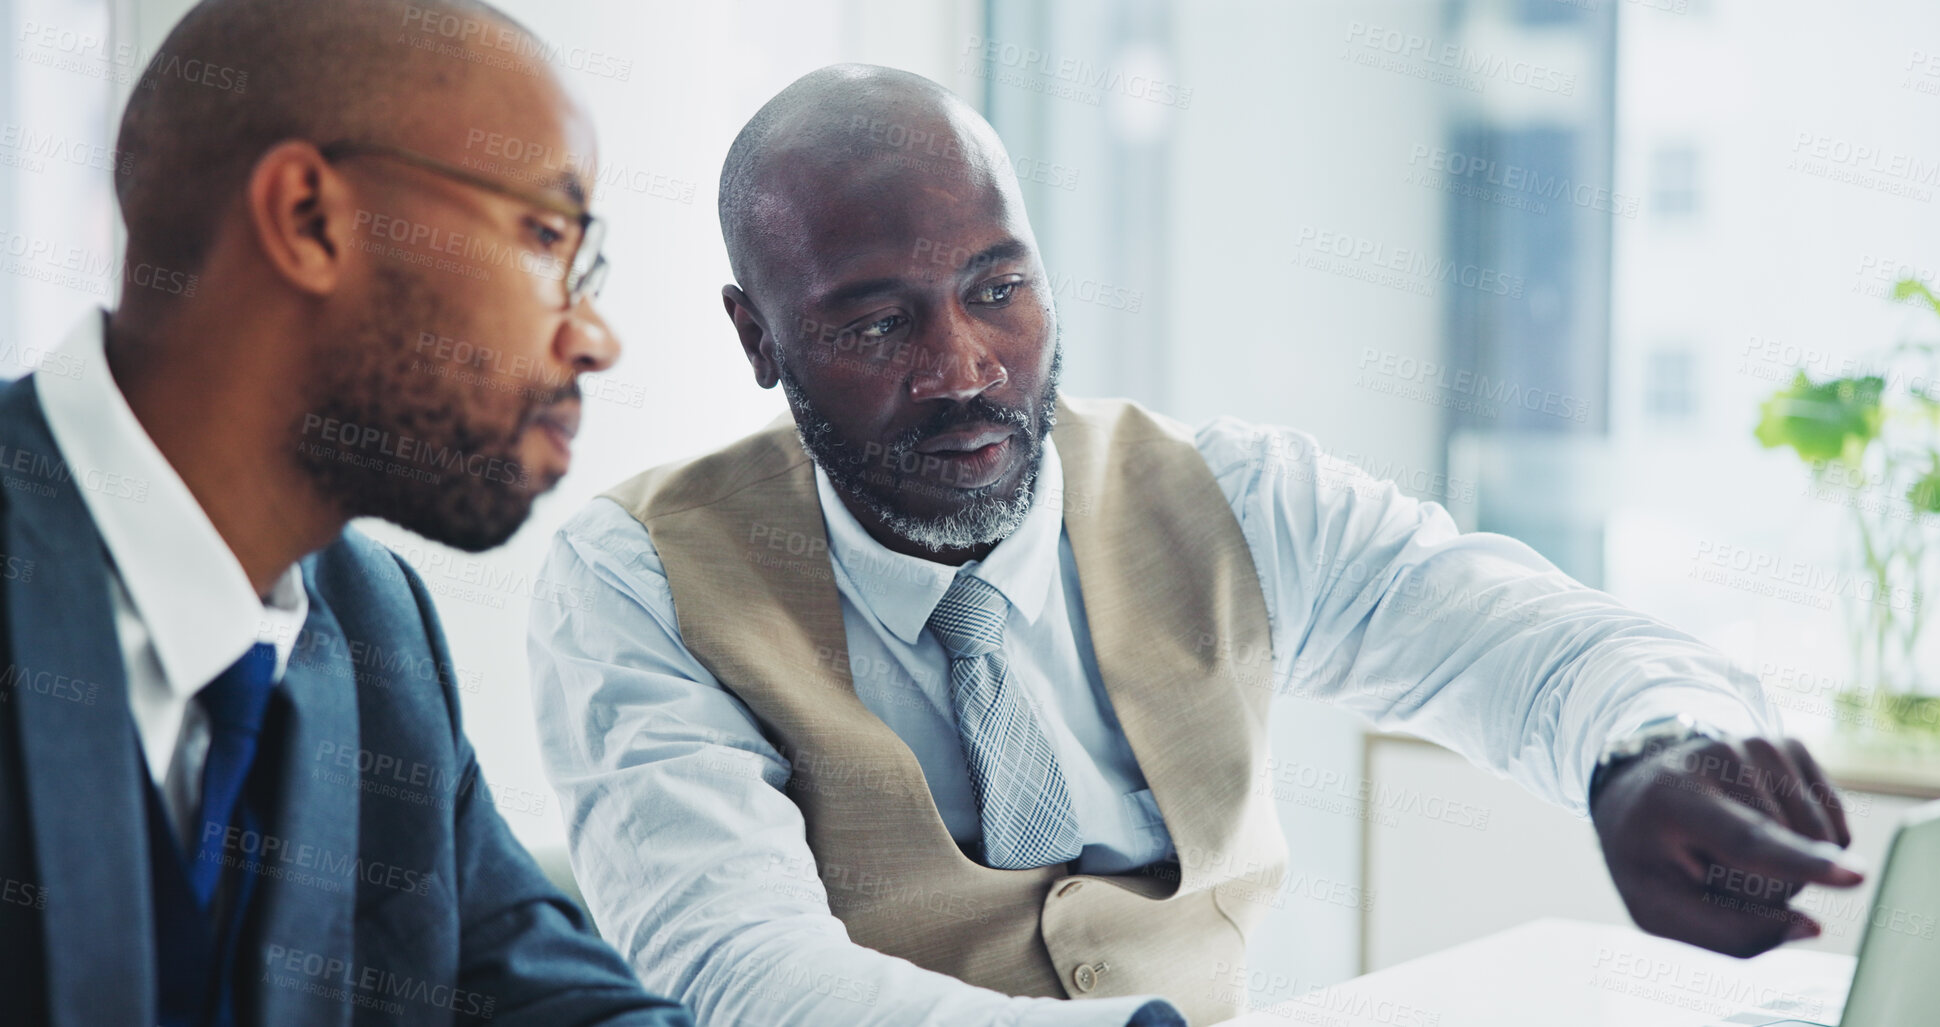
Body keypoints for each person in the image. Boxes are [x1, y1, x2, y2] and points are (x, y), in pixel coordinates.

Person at [529, 64, 1862, 1027]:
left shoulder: (1222, 491)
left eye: (997, 287)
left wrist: (1643, 752)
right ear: (754, 335)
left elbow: (1522, 637)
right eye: (873, 322)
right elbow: (748, 976)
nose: (961, 366)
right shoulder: (637, 577)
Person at [0, 1, 690, 1024]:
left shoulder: (379, 631)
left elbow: (551, 998)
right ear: (310, 220)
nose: (595, 338)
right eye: (547, 235)